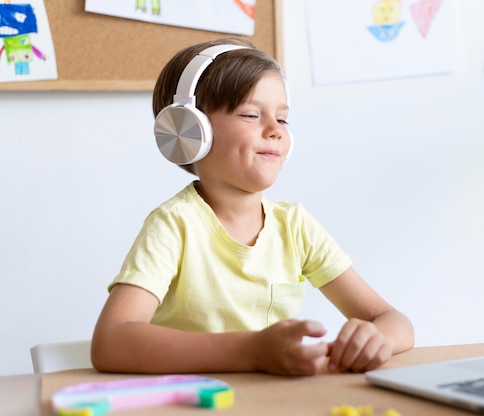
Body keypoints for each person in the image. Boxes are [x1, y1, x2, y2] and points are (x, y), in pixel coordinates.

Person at [91, 37, 414, 376]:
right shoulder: (174, 225)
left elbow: (393, 321)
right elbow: (110, 342)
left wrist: (377, 339)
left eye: (283, 119)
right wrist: (251, 351)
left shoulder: (295, 226)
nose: (275, 130)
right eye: (250, 114)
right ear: (190, 131)